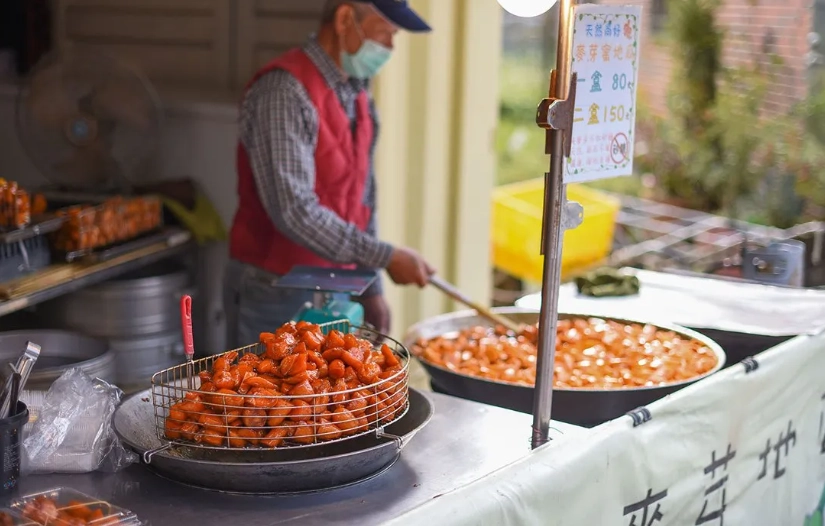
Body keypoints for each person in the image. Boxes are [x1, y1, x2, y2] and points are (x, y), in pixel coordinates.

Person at [224, 0, 435, 348]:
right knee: (266, 399)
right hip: (273, 288)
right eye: (386, 34)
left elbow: (363, 198)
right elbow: (294, 210)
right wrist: (386, 257)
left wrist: (371, 287)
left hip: (334, 287)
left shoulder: (357, 91)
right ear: (344, 19)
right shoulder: (283, 91)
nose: (390, 48)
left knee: (328, 399)